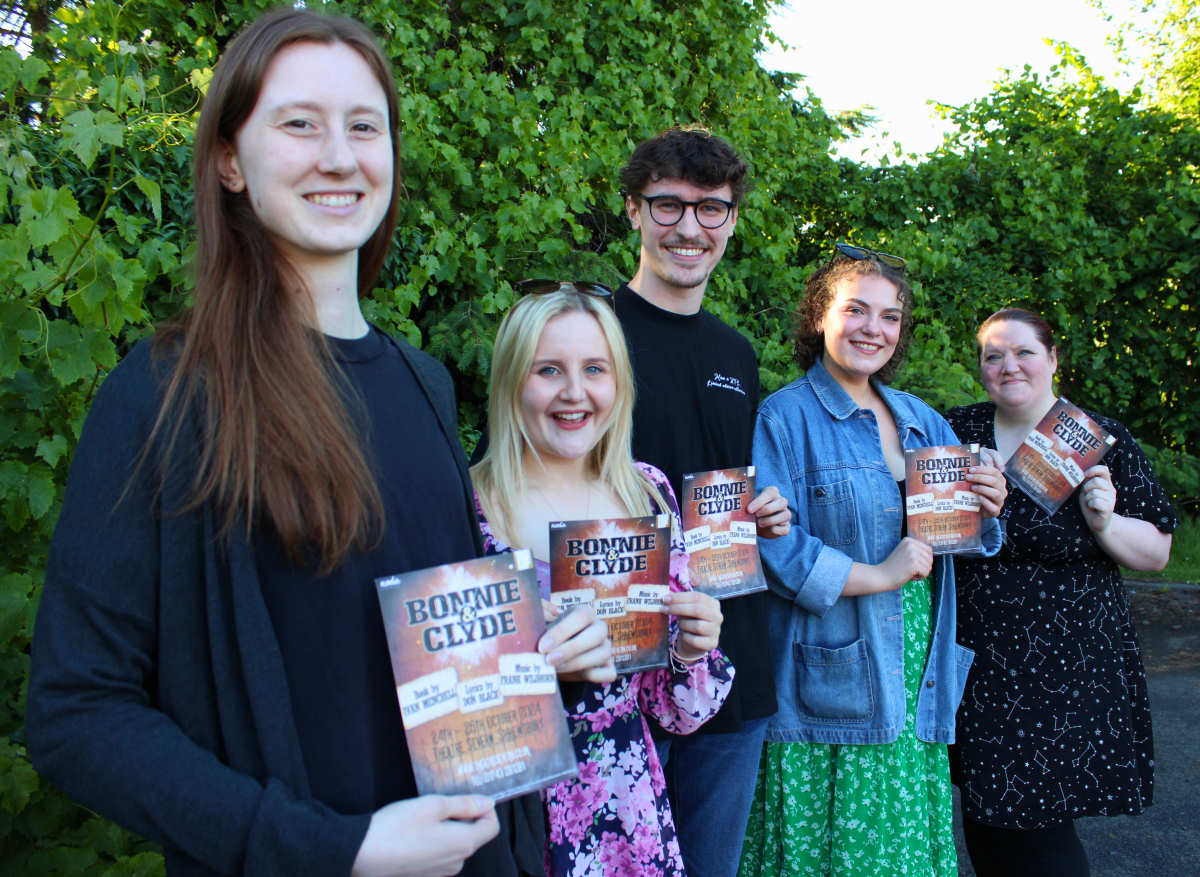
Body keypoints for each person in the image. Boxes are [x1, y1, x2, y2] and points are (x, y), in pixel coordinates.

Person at [25, 10, 547, 876]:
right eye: (299, 123)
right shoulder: (164, 393)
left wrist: (538, 657)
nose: (338, 157)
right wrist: (335, 849)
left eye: (363, 127)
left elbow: (416, 639)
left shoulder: (422, 380)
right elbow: (77, 712)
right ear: (230, 160)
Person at [740, 244, 1007, 876]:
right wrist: (878, 575)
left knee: (902, 847)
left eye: (890, 317)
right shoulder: (783, 418)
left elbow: (955, 537)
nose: (873, 329)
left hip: (916, 665)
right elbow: (772, 547)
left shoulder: (920, 419)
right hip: (833, 664)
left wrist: (987, 507)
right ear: (819, 318)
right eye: (856, 310)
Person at [471, 284, 734, 877]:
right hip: (513, 819)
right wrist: (540, 676)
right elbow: (445, 713)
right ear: (513, 379)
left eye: (595, 368)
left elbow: (670, 711)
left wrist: (691, 650)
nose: (574, 392)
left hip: (626, 806)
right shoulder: (468, 507)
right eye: (548, 370)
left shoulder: (645, 492)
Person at [614, 125, 790, 877]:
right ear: (633, 211)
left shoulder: (736, 352)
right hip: (620, 653)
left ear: (732, 221)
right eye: (668, 205)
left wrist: (766, 511)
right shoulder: (594, 333)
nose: (689, 227)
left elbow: (724, 478)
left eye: (710, 209)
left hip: (729, 654)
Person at [945, 307, 1176, 877]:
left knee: (1042, 829)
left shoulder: (1100, 441)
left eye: (1023, 352)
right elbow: (924, 524)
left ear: (1053, 359)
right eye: (992, 355)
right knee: (986, 813)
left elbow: (1157, 550)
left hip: (1069, 665)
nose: (1008, 365)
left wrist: (1105, 525)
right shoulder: (957, 431)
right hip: (981, 660)